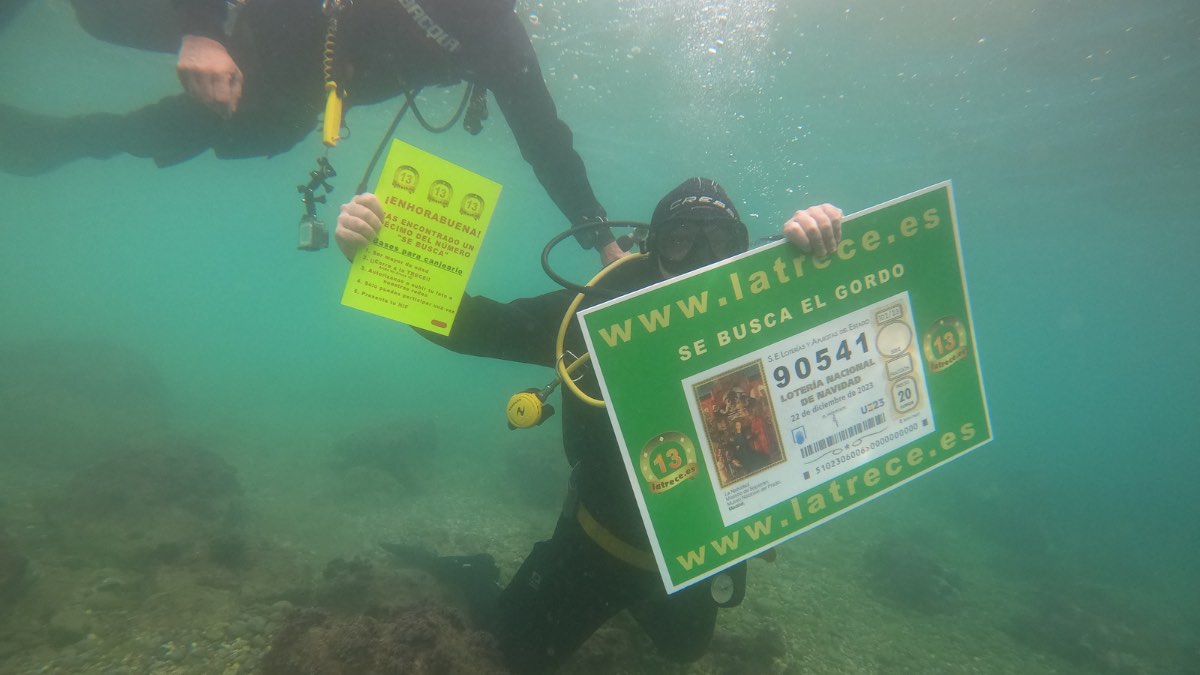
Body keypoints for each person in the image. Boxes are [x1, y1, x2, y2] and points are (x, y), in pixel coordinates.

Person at [335, 177, 842, 672]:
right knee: (508, 653)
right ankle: (477, 575)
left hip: (695, 558)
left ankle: (642, 608)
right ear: (653, 246)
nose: (701, 258)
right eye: (682, 239)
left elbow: (853, 310)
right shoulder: (598, 314)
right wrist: (381, 260)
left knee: (685, 650)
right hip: (594, 546)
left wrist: (819, 241)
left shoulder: (768, 308)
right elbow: (475, 326)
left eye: (720, 240)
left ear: (741, 250)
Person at [0, 0, 619, 261]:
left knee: (196, 131)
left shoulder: (496, 36)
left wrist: (603, 243)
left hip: (292, 94)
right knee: (101, 17)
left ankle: (45, 145)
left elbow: (545, 138)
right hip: (239, 18)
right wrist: (201, 29)